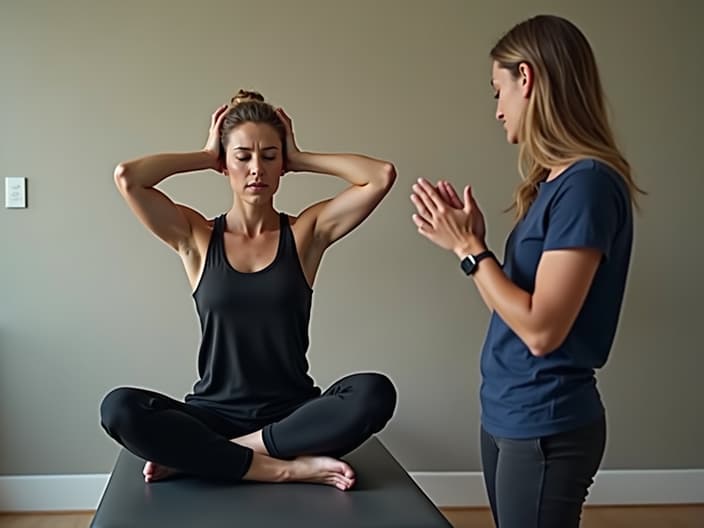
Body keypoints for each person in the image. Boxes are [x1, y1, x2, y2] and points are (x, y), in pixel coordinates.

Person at [410, 15, 644, 527]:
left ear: (528, 79)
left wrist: (470, 249)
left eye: (499, 90)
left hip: (546, 418)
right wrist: (473, 250)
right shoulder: (554, 183)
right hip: (508, 409)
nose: (497, 110)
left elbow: (542, 330)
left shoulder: (587, 186)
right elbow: (513, 309)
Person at [100, 90, 397, 491]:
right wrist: (207, 154)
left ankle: (219, 455)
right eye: (242, 157)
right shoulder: (198, 236)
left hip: (292, 415)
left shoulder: (305, 234)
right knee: (119, 408)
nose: (256, 168)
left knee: (374, 392)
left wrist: (300, 156)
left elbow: (380, 176)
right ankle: (282, 467)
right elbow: (128, 177)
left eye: (269, 156)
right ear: (226, 165)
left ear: (282, 165)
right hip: (212, 412)